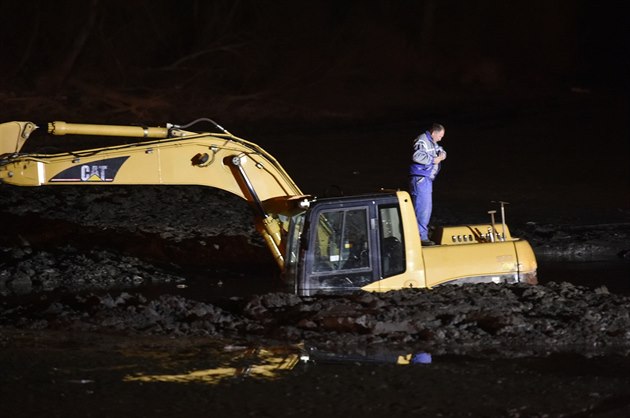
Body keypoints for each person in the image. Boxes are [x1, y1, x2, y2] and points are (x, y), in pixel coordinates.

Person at [409, 123, 447, 245]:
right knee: (422, 209)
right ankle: (421, 238)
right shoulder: (422, 140)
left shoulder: (431, 141)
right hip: (421, 178)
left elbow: (439, 149)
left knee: (425, 208)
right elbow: (417, 156)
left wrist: (442, 154)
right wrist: (433, 160)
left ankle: (421, 235)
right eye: (440, 136)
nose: (440, 139)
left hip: (426, 179)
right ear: (433, 133)